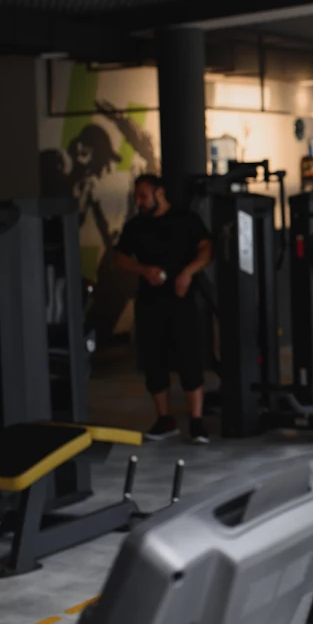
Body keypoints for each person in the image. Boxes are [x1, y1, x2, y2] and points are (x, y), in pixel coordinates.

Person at [115, 174, 213, 443]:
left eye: (143, 196)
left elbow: (206, 248)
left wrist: (188, 273)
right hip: (149, 303)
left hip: (182, 302)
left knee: (189, 360)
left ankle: (196, 422)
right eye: (137, 196)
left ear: (160, 193)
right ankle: (164, 419)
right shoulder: (136, 226)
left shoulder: (186, 219)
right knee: (153, 362)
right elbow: (121, 258)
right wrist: (143, 269)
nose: (139, 201)